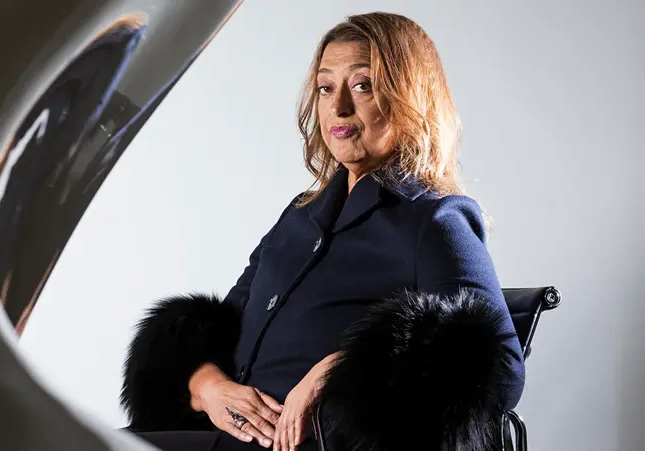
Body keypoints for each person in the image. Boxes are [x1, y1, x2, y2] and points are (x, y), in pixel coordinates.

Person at [120, 11, 525, 451]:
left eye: (363, 85)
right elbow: (226, 327)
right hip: (226, 436)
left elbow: (500, 370)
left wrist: (340, 368)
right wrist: (208, 388)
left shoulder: (435, 219)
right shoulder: (300, 215)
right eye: (325, 88)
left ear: (409, 96)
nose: (339, 107)